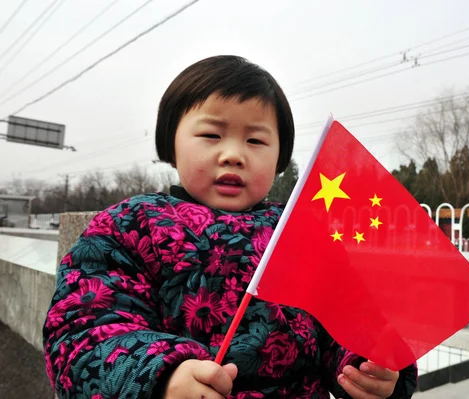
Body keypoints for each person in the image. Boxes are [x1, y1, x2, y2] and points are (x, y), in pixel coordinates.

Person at [43, 55, 417, 398]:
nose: (234, 155)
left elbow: (346, 313)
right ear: (171, 141)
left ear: (279, 156)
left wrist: (365, 365)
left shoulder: (300, 232)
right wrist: (163, 376)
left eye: (256, 140)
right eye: (211, 135)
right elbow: (82, 331)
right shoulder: (131, 226)